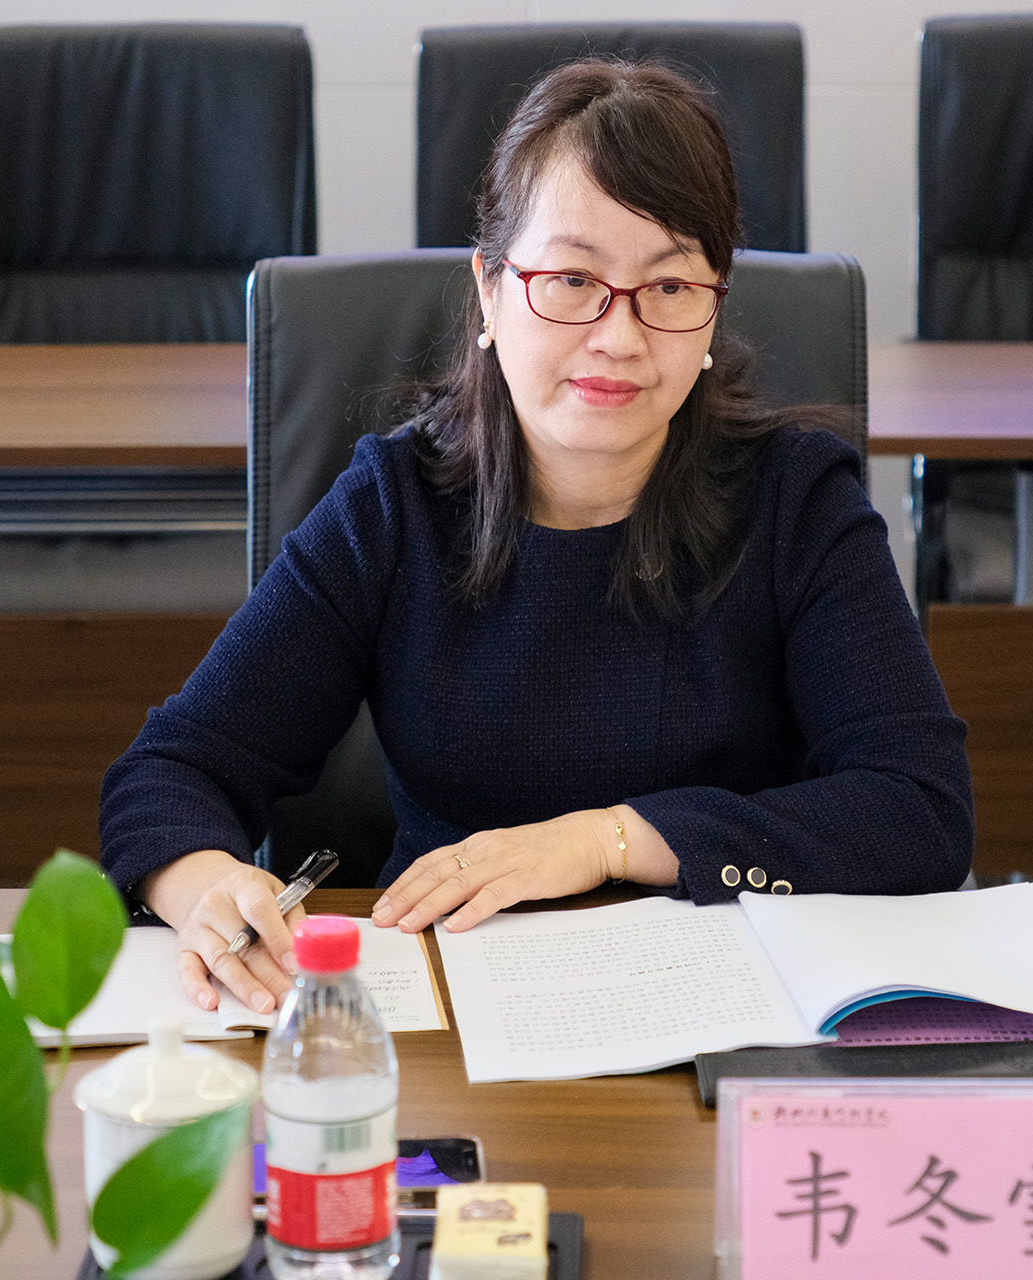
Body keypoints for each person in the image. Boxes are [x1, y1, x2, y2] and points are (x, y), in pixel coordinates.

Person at [98, 58, 973, 1017]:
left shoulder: (797, 500)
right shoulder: (395, 505)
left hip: (723, 1014)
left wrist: (605, 839)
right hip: (447, 1013)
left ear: (714, 308)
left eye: (669, 285)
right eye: (570, 279)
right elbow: (170, 772)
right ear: (490, 290)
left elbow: (920, 809)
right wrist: (205, 885)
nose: (619, 335)